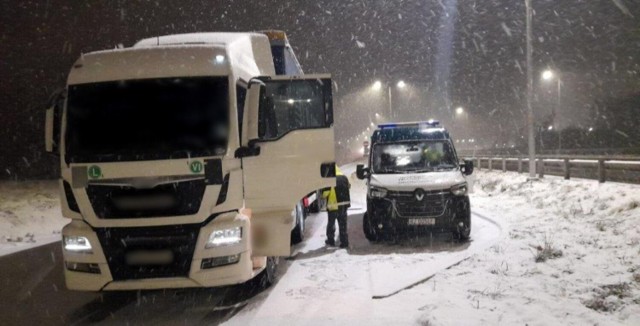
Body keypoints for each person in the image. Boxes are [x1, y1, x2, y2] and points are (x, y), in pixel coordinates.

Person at [323, 167, 351, 248]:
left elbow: (325, 193)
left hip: (333, 205)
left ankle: (331, 240)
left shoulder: (329, 179)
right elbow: (348, 187)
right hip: (344, 205)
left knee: (331, 224)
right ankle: (344, 242)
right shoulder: (344, 177)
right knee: (343, 224)